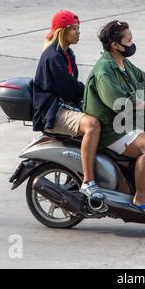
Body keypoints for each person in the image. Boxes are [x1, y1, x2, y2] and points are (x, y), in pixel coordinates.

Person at [83, 20, 145, 216]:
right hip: (112, 128)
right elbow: (116, 102)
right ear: (115, 45)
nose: (132, 44)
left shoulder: (124, 63)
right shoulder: (104, 71)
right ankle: (141, 197)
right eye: (129, 40)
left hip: (131, 121)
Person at [32, 10, 102, 200]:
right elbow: (69, 88)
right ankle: (89, 181)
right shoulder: (53, 57)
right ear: (62, 31)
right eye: (74, 29)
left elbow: (72, 87)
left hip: (65, 104)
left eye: (79, 28)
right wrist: (92, 93)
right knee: (92, 126)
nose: (78, 32)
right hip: (53, 111)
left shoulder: (67, 53)